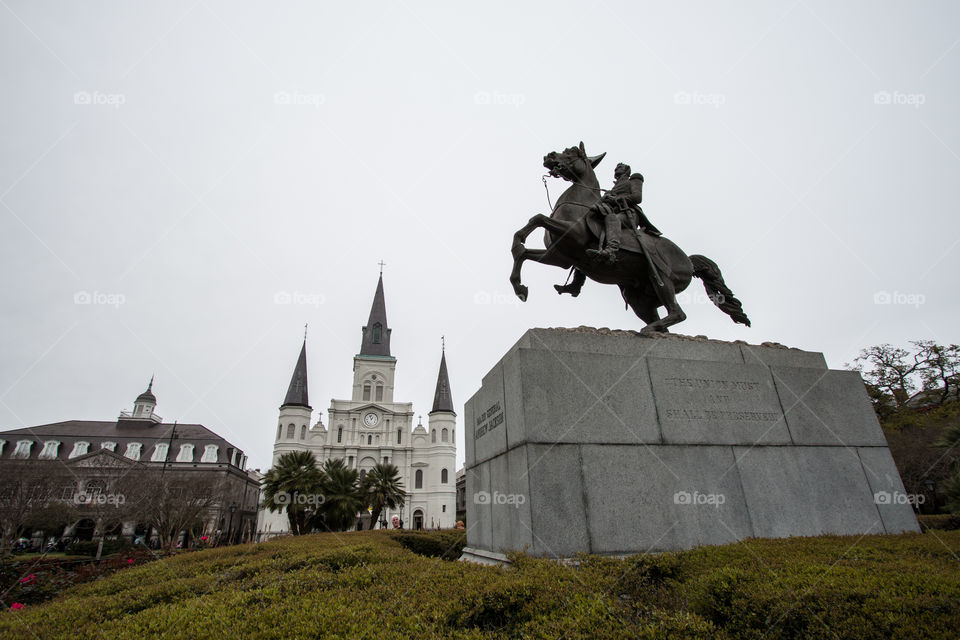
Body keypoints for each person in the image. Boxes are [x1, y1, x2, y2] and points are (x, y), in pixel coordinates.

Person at [585, 163, 660, 264]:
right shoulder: (613, 188)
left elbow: (637, 197)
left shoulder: (633, 180)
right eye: (615, 168)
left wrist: (615, 199)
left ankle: (611, 250)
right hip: (612, 211)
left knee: (612, 219)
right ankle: (579, 275)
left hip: (628, 213)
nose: (616, 169)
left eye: (620, 167)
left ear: (627, 170)